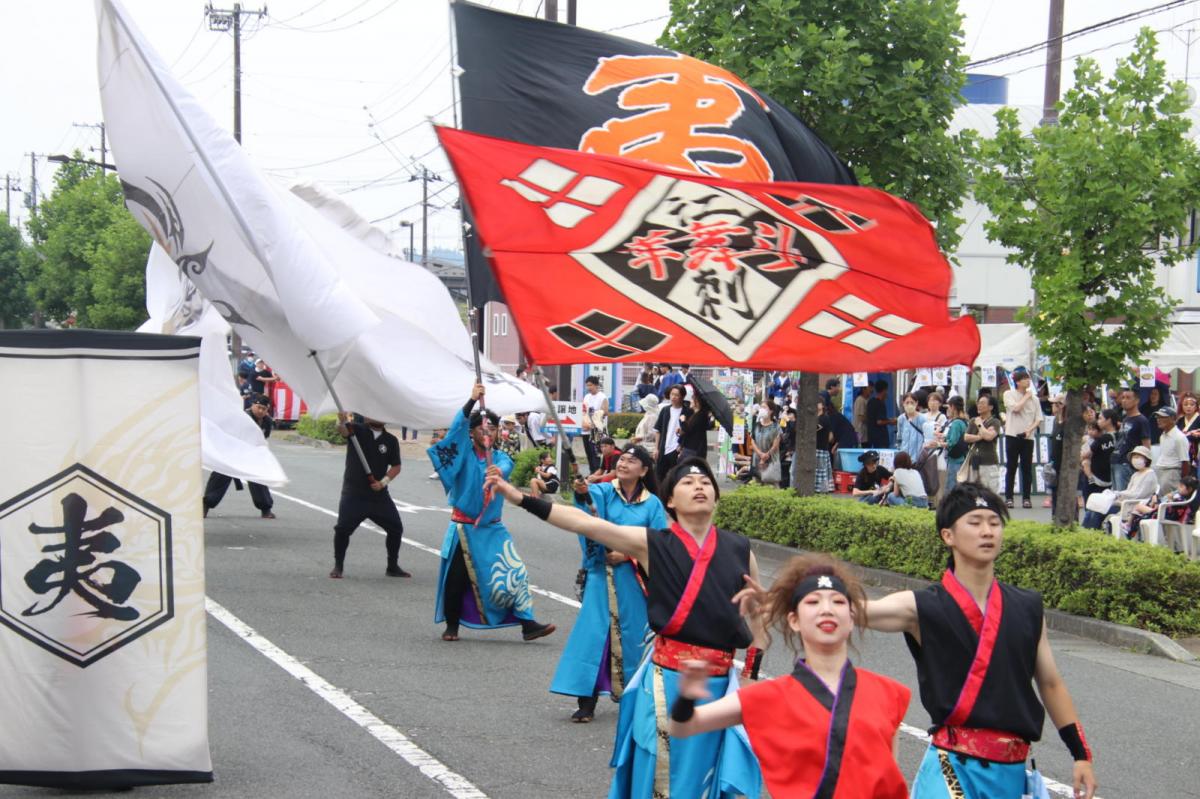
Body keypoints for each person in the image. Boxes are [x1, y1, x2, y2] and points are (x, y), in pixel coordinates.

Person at [486, 457, 765, 799]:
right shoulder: (652, 543)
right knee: (662, 775)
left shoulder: (739, 549)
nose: (699, 487)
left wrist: (751, 675)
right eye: (688, 483)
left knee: (709, 777)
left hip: (721, 685)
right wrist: (517, 497)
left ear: (717, 496)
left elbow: (759, 618)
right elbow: (584, 524)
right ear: (670, 502)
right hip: (669, 681)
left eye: (706, 482)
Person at [865, 483, 1098, 799]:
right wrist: (803, 593)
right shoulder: (921, 606)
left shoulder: (1028, 606)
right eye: (974, 523)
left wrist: (1080, 752)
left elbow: (1051, 684)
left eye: (994, 522)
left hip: (1012, 773)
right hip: (952, 769)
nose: (987, 531)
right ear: (948, 536)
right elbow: (859, 612)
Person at [670, 555, 911, 799]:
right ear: (794, 620)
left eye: (838, 602)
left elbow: (891, 781)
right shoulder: (768, 697)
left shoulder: (887, 693)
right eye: (813, 602)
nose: (826, 609)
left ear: (851, 619)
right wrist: (686, 697)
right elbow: (683, 726)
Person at [429, 383, 555, 642]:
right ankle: (452, 625)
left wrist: (496, 472)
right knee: (457, 579)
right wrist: (470, 402)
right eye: (481, 428)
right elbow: (455, 432)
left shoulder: (501, 458)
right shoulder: (462, 454)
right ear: (472, 432)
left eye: (493, 428)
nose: (488, 432)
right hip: (464, 529)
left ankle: (527, 623)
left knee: (515, 572)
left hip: (493, 528)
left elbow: (502, 470)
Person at [552, 445, 667, 723]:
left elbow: (660, 542)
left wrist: (628, 553)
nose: (625, 463)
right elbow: (587, 513)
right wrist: (582, 495)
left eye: (632, 460)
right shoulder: (603, 492)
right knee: (593, 637)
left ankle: (637, 697)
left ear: (644, 470)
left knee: (634, 639)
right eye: (622, 459)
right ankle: (586, 701)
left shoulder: (653, 504)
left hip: (633, 580)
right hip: (601, 577)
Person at [329, 411, 409, 579]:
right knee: (343, 529)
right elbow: (342, 430)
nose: (372, 415)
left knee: (396, 528)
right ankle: (338, 565)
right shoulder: (356, 430)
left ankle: (392, 566)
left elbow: (396, 466)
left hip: (378, 496)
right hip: (354, 493)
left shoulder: (391, 441)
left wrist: (383, 483)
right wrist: (341, 421)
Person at [202, 394, 276, 519]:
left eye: (264, 409)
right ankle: (205, 505)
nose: (261, 411)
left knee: (258, 478)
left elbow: (263, 439)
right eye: (258, 407)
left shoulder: (267, 422)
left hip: (251, 454)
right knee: (221, 476)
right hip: (231, 452)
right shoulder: (242, 418)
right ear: (252, 405)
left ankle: (266, 509)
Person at [1082, 445, 1157, 532]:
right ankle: (1085, 533)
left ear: (1146, 459)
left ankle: (1091, 534)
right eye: (1134, 457)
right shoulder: (1136, 474)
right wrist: (1116, 494)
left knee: (1098, 512)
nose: (1135, 459)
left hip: (1132, 506)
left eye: (1138, 457)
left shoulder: (1149, 474)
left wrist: (1119, 494)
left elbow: (1138, 495)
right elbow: (1129, 491)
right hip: (1124, 503)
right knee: (1093, 509)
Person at [1002, 368, 1043, 509]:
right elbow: (1016, 409)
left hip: (1028, 437)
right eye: (1025, 379)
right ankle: (1009, 497)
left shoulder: (1035, 399)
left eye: (1029, 379)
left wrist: (1029, 430)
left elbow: (1038, 419)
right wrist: (1026, 397)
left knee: (1027, 468)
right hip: (1012, 435)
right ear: (1017, 382)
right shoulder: (1009, 394)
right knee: (1011, 467)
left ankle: (1026, 498)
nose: (1028, 381)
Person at [1121, 474, 1200, 540]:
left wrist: (1169, 500)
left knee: (1138, 506)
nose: (1179, 488)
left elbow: (1172, 509)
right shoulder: (1179, 497)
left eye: (1181, 487)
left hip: (1162, 514)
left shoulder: (1181, 499)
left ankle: (1128, 525)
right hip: (1161, 511)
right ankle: (1129, 525)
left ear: (1189, 489)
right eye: (1179, 486)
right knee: (1140, 507)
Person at [1113, 388, 1151, 492]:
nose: (1124, 400)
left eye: (1128, 398)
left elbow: (1146, 445)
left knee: (1124, 495)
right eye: (1123, 398)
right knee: (1117, 496)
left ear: (1137, 400)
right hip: (1117, 460)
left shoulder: (1141, 420)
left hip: (1129, 463)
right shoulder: (1125, 419)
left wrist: (1144, 465)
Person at [962, 393, 1002, 493]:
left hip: (988, 461)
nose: (979, 405)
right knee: (973, 492)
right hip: (973, 461)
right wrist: (980, 437)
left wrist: (980, 425)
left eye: (982, 403)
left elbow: (989, 437)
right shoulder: (972, 420)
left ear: (991, 407)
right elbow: (966, 437)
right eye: (978, 403)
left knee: (989, 492)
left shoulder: (995, 422)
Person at [654, 384, 691, 480]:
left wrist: (682, 445)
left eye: (677, 395)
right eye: (672, 394)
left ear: (682, 397)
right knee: (659, 476)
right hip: (664, 447)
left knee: (675, 476)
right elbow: (658, 430)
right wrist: (656, 448)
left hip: (677, 448)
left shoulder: (687, 412)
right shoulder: (665, 410)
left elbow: (689, 431)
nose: (673, 397)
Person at [1153, 406, 1188, 495]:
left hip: (1171, 474)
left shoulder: (1179, 437)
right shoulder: (1162, 436)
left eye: (1162, 417)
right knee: (1160, 502)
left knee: (1167, 503)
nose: (1158, 420)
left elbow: (1185, 462)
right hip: (1161, 472)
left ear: (1172, 419)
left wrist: (1183, 482)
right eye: (1158, 417)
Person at [582, 375, 609, 474]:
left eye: (590, 385)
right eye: (587, 385)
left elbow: (604, 412)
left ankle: (596, 475)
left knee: (596, 454)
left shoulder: (602, 397)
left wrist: (593, 423)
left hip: (597, 430)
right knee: (588, 454)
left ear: (596, 385)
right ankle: (591, 473)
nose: (588, 387)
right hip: (585, 430)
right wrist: (584, 423)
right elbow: (583, 411)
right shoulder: (586, 397)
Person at [942, 396, 969, 493]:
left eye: (948, 406)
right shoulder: (965, 421)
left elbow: (952, 442)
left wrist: (939, 443)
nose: (948, 409)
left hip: (954, 458)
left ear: (953, 407)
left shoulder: (956, 423)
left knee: (951, 487)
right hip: (962, 456)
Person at [750, 402, 781, 485]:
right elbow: (752, 441)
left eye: (764, 407)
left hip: (771, 460)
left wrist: (765, 456)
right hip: (757, 459)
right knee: (756, 484)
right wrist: (760, 454)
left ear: (771, 411)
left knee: (771, 484)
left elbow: (776, 444)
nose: (762, 409)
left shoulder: (776, 426)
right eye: (761, 407)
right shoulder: (756, 425)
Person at [679, 391, 712, 460]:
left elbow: (688, 430)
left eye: (692, 399)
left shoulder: (701, 416)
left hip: (693, 449)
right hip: (691, 448)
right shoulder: (695, 414)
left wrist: (683, 421)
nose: (690, 401)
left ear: (697, 402)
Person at [896, 392, 926, 463]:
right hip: (904, 456)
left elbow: (926, 437)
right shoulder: (901, 419)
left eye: (912, 402)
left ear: (916, 403)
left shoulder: (922, 418)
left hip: (918, 457)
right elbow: (899, 436)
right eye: (907, 402)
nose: (909, 405)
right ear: (903, 403)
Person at [814, 400, 835, 493]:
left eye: (818, 402)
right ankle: (819, 488)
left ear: (822, 405)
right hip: (818, 447)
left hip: (821, 447)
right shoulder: (816, 417)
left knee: (821, 470)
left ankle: (821, 489)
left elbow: (816, 428)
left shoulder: (823, 418)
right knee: (819, 470)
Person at [865, 380, 894, 448]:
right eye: (886, 390)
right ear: (884, 390)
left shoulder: (870, 401)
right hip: (880, 438)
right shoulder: (880, 404)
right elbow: (879, 421)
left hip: (871, 437)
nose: (887, 393)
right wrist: (891, 421)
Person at [1177, 391, 1200, 477]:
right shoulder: (1179, 421)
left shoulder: (1198, 419)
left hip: (1195, 456)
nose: (1188, 407)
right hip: (1181, 456)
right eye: (1185, 404)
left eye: (1191, 404)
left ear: (1196, 406)